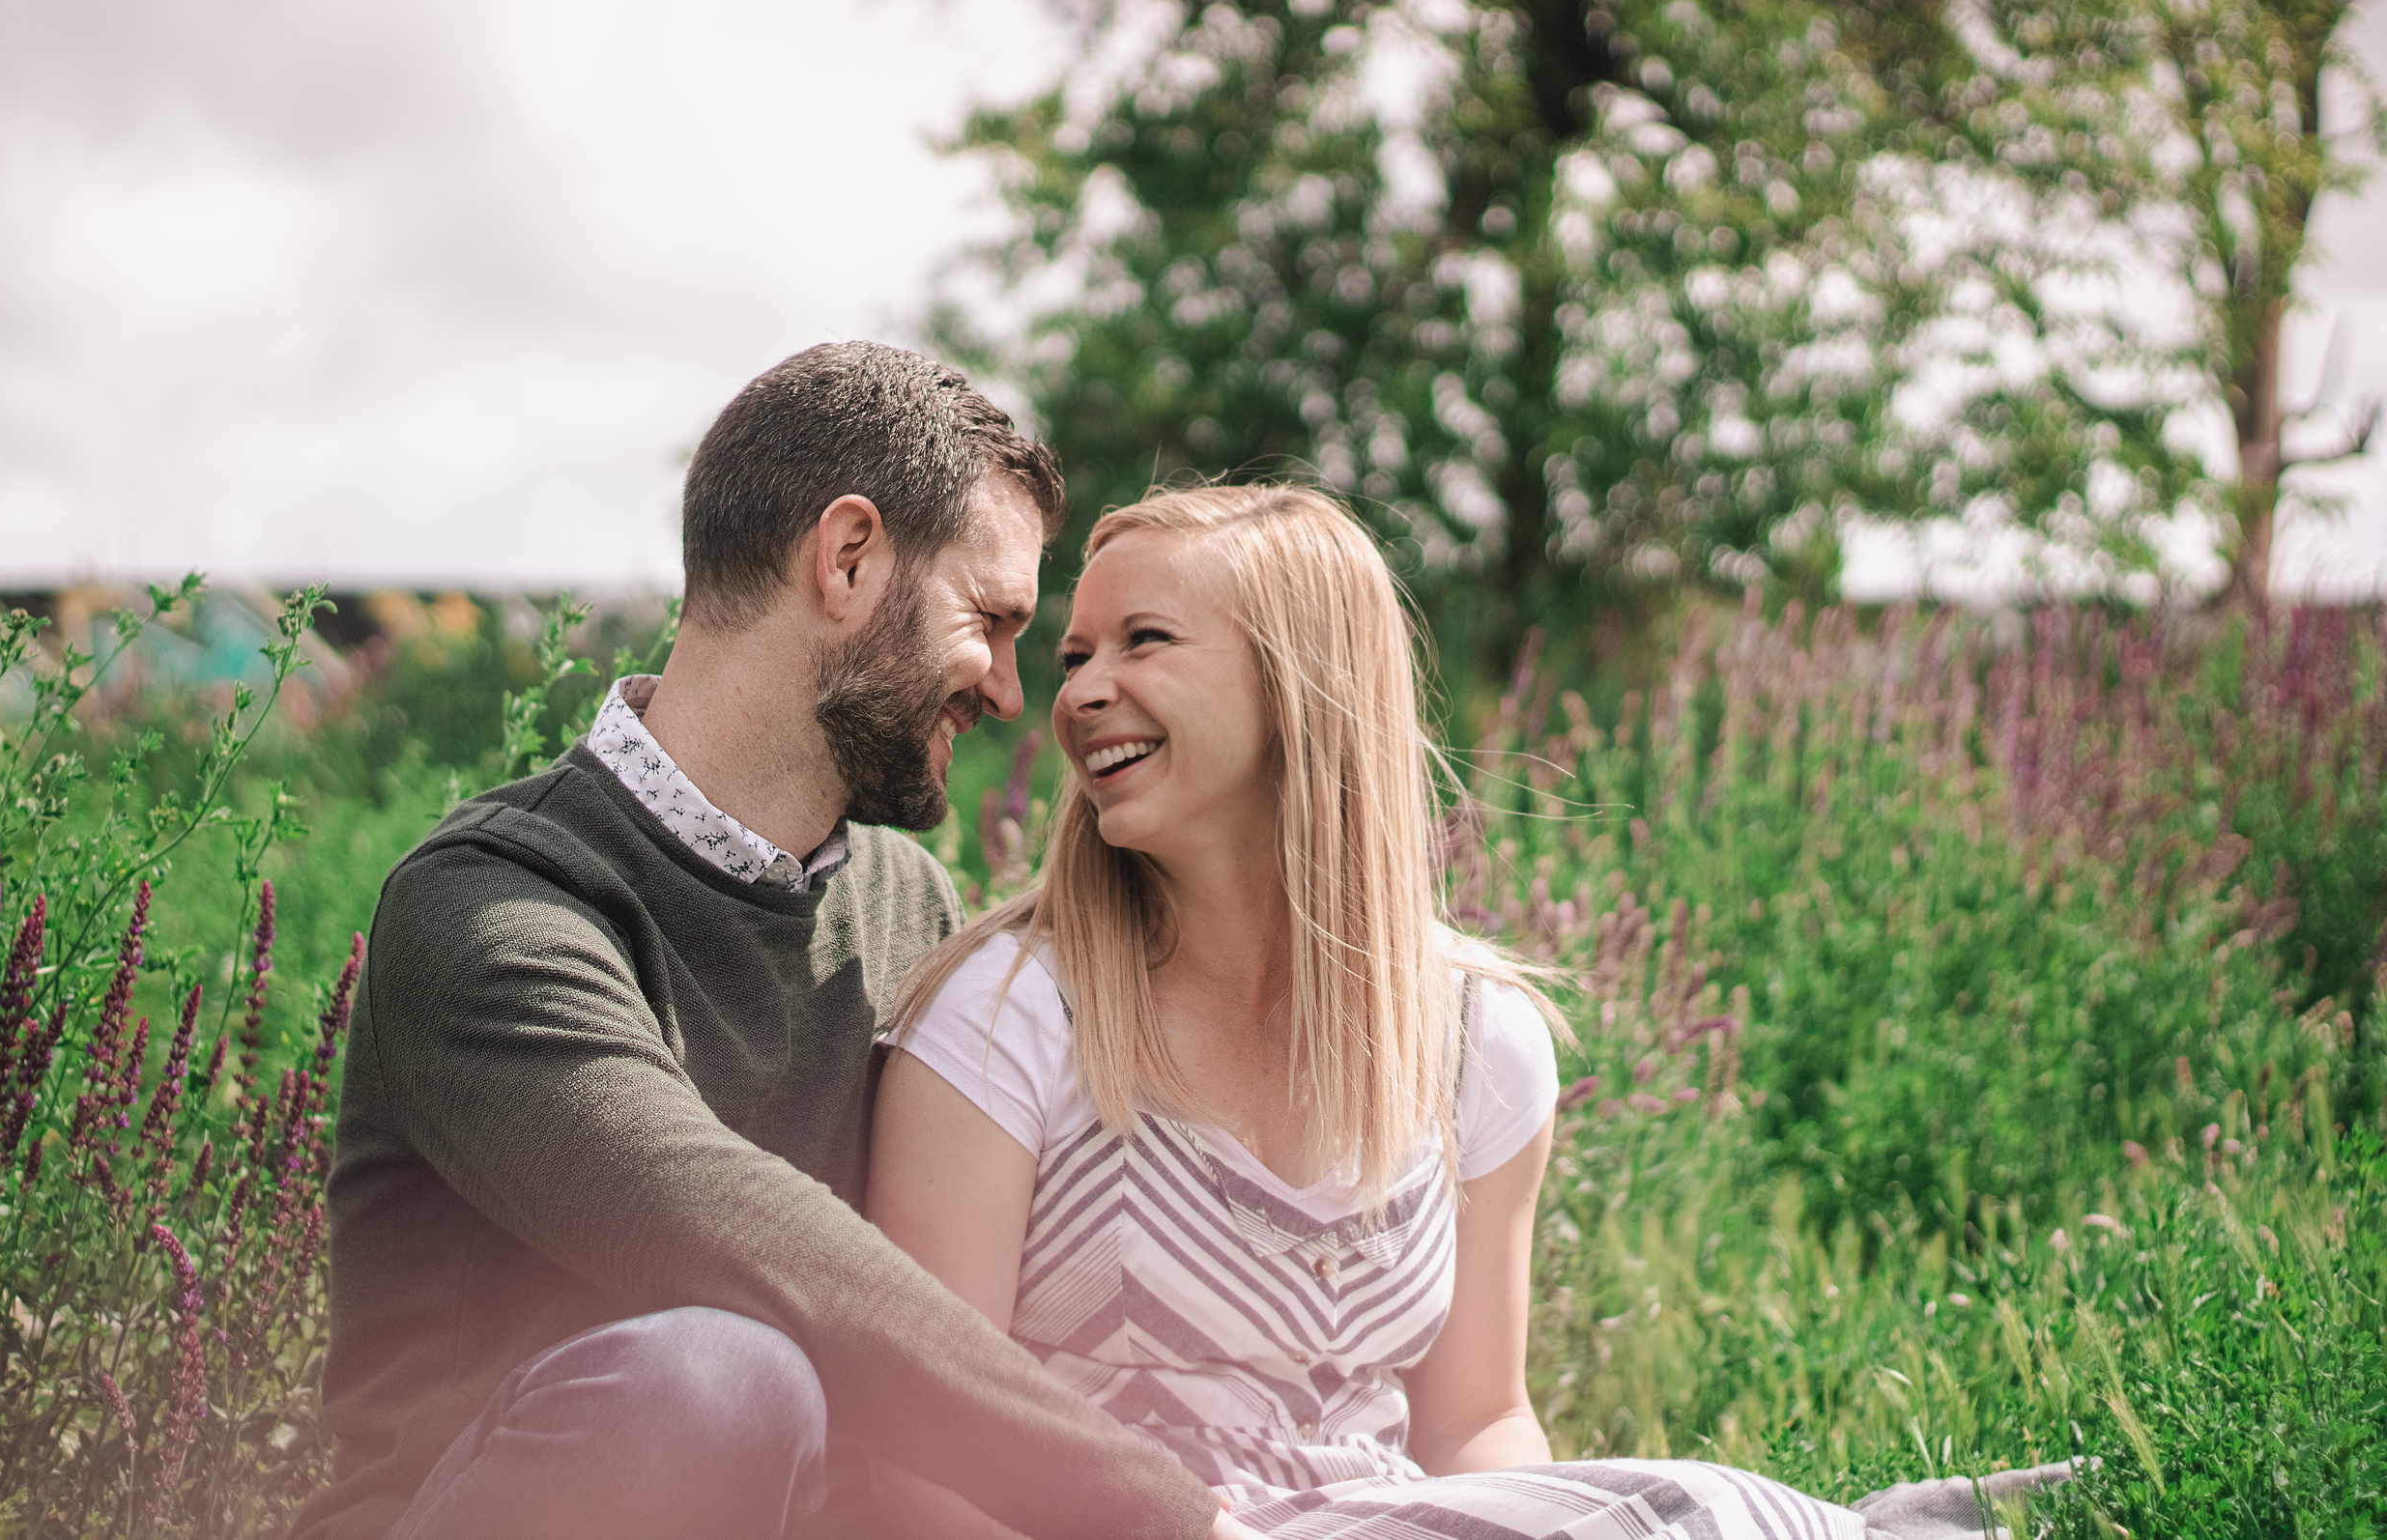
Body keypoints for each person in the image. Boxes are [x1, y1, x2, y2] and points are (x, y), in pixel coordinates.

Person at [867, 484, 2071, 1540]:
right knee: (1698, 1514)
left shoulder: (1471, 1042)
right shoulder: (1007, 1018)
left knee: (1682, 1512)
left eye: (1143, 641)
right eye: (1077, 655)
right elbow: (923, 1458)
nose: (1079, 693)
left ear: (1301, 685)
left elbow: (1480, 1420)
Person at [290, 344, 1225, 1540]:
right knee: (720, 1379)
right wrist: (1167, 1519)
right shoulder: (493, 908)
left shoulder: (908, 905)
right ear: (846, 560)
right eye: (988, 620)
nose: (1005, 689)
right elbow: (723, 1232)